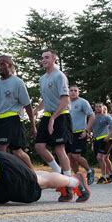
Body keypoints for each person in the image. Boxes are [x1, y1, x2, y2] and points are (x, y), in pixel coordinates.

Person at [0, 55, 36, 170]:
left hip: (12, 119)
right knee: (16, 151)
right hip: (0, 120)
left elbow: (27, 105)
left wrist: (33, 125)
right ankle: (31, 173)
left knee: (2, 148)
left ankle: (22, 174)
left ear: (10, 65)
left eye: (3, 64)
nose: (0, 67)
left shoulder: (17, 82)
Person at [33, 49, 74, 202]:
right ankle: (59, 174)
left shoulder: (59, 76)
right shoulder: (42, 78)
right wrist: (37, 110)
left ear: (54, 59)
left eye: (47, 57)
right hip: (48, 115)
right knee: (39, 146)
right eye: (42, 57)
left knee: (59, 148)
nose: (44, 60)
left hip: (61, 115)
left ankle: (68, 184)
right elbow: (45, 99)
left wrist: (53, 119)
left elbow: (65, 100)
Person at [66, 85, 95, 184]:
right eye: (71, 90)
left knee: (76, 155)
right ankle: (78, 176)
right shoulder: (66, 102)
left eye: (75, 90)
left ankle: (90, 171)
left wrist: (86, 130)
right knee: (70, 156)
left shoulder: (83, 102)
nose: (73, 92)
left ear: (78, 92)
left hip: (80, 133)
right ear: (68, 92)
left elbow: (92, 115)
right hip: (68, 133)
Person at [91, 103, 112, 184]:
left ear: (103, 108)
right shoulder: (93, 117)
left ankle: (104, 176)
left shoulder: (106, 117)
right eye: (97, 107)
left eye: (100, 107)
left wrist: (109, 136)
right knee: (100, 158)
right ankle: (107, 175)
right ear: (94, 108)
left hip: (104, 139)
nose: (98, 108)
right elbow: (90, 127)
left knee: (101, 157)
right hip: (96, 140)